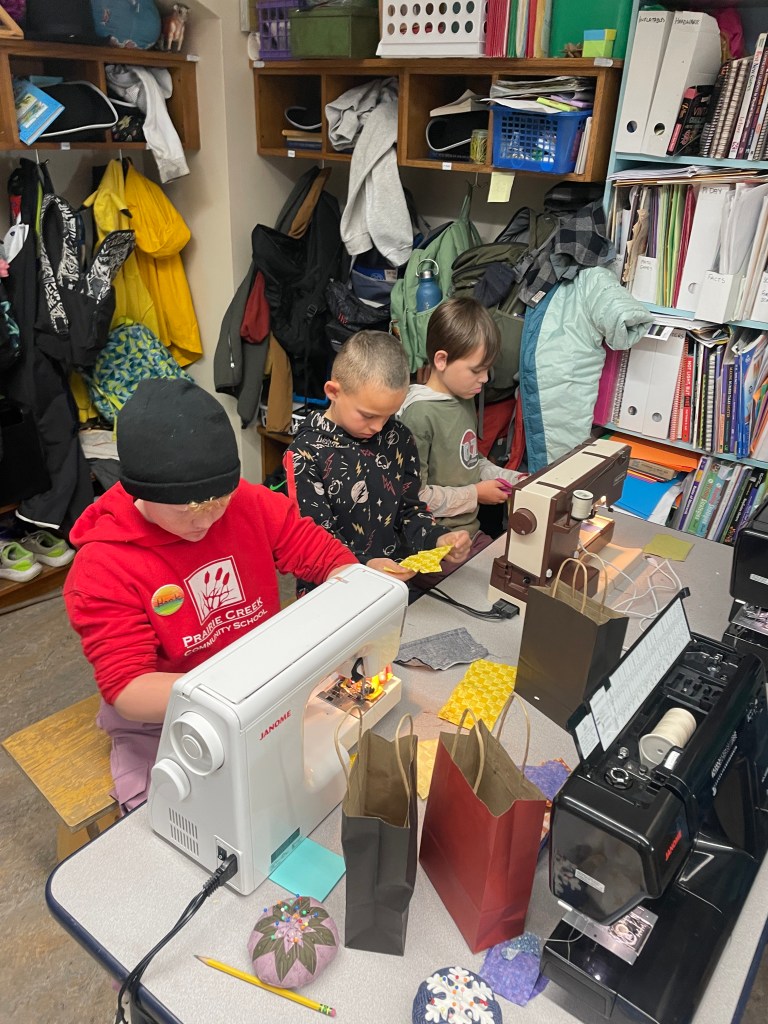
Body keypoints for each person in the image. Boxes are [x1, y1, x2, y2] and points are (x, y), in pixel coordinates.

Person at [64, 378, 358, 811]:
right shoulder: (103, 566)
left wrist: (355, 585)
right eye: (187, 510)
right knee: (175, 816)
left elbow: (327, 557)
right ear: (140, 491)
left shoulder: (248, 504)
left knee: (327, 770)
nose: (208, 520)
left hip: (261, 688)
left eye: (220, 500)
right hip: (167, 714)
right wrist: (242, 689)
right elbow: (128, 689)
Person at [285, 330, 471, 581]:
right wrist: (364, 565)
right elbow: (314, 542)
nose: (378, 427)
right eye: (368, 415)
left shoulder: (399, 437)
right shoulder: (305, 454)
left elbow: (409, 510)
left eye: (389, 415)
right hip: (335, 590)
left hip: (393, 583)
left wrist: (436, 537)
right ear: (333, 391)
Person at [399, 297, 524, 549]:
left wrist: (514, 479)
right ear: (441, 360)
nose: (485, 379)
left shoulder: (463, 398)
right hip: (432, 541)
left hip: (469, 533)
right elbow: (413, 497)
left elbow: (470, 462)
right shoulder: (419, 415)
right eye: (476, 370)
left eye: (487, 369)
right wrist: (476, 494)